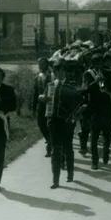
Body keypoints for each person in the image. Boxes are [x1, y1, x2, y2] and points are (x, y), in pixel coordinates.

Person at [41, 60, 86, 189]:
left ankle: (70, 174)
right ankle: (55, 180)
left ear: (65, 72)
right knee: (55, 150)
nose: (60, 74)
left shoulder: (72, 85)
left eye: (62, 71)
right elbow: (45, 99)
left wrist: (77, 114)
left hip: (67, 122)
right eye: (57, 72)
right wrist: (43, 99)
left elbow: (80, 101)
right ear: (54, 73)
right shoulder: (50, 86)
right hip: (53, 120)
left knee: (67, 147)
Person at [83, 54, 111, 170]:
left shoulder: (108, 72)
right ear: (93, 64)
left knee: (107, 134)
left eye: (100, 63)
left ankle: (106, 151)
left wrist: (107, 82)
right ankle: (94, 160)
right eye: (96, 64)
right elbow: (86, 89)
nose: (99, 66)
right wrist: (95, 82)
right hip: (94, 108)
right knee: (94, 136)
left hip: (106, 106)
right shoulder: (87, 74)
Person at [32, 57, 53, 157]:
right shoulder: (38, 77)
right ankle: (50, 141)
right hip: (41, 105)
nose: (40, 66)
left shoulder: (51, 75)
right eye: (39, 64)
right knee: (41, 124)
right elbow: (35, 93)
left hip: (50, 104)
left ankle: (50, 147)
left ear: (47, 64)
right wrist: (33, 107)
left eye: (42, 64)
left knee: (50, 125)